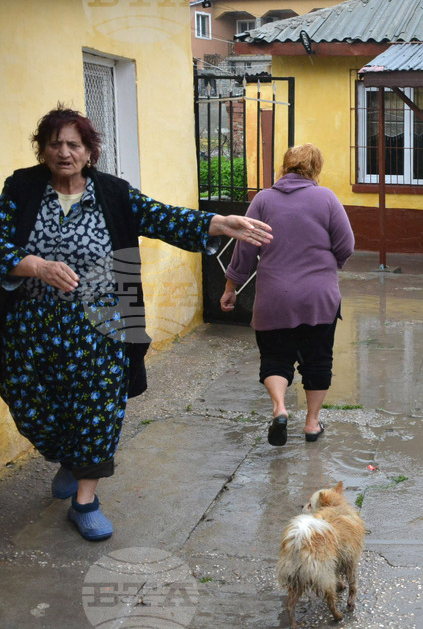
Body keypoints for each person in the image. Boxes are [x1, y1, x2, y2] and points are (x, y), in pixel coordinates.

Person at [0, 106, 273, 541]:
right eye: (55, 143)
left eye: (74, 144)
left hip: (103, 326)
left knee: (98, 410)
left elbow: (162, 216)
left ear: (90, 151)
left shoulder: (112, 193)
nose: (64, 152)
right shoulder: (21, 189)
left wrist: (219, 223)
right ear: (42, 149)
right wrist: (33, 264)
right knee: (32, 409)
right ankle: (68, 458)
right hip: (32, 330)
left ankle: (85, 499)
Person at [221, 143, 354, 448]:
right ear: (315, 168)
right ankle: (311, 424)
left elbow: (244, 248)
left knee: (275, 358)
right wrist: (329, 266)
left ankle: (280, 408)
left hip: (274, 297)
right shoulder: (327, 198)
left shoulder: (263, 200)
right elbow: (346, 243)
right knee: (318, 360)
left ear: (284, 166)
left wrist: (231, 288)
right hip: (318, 297)